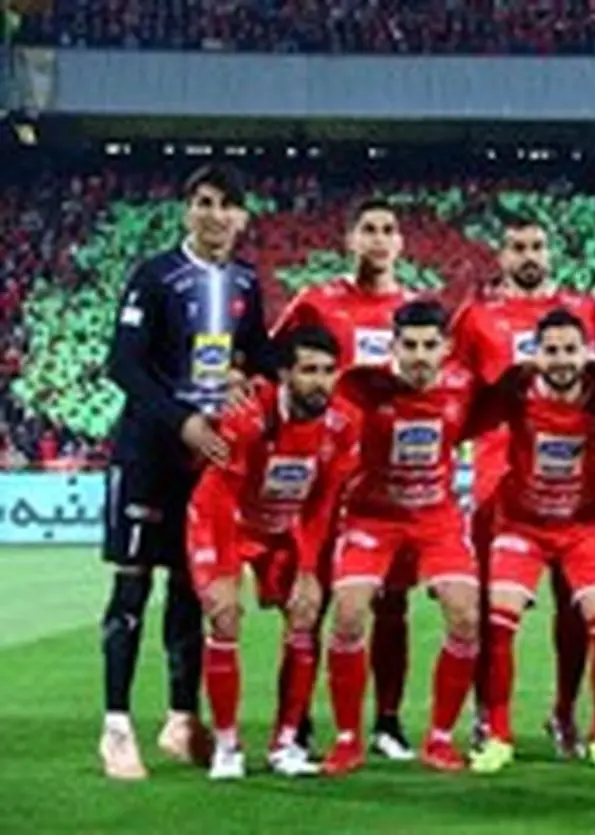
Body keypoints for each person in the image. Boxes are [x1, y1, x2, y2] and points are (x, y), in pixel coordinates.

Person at [100, 164, 272, 780]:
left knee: (189, 589)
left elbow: (261, 354)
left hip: (207, 461)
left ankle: (180, 719)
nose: (215, 214)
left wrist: (251, 377)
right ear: (187, 210)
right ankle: (116, 726)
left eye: (227, 204)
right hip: (148, 453)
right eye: (204, 202)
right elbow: (123, 365)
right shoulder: (155, 276)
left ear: (242, 217)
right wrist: (182, 421)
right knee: (132, 587)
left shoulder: (246, 282)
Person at [452, 213, 595, 757]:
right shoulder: (477, 317)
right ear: (501, 255)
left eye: (537, 245)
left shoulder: (587, 311)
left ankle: (566, 713)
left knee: (577, 608)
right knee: (493, 611)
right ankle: (487, 717)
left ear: (550, 252)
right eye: (518, 247)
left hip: (578, 491)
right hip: (499, 484)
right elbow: (456, 390)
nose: (528, 255)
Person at [469, 308, 595, 775]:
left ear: (586, 352)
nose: (562, 359)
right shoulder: (515, 390)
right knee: (500, 623)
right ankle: (499, 736)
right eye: (552, 350)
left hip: (584, 528)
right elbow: (465, 423)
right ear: (535, 354)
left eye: (570, 349)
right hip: (521, 525)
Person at [272, 197, 417, 761]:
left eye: (388, 230)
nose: (378, 239)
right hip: (325, 478)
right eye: (368, 229)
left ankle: (388, 722)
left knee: (392, 605)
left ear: (400, 242)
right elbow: (271, 358)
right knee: (309, 602)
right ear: (350, 239)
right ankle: (298, 721)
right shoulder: (317, 301)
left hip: (389, 481)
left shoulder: (413, 309)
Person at [321, 300, 482, 775]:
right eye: (409, 345)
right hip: (372, 516)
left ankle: (440, 739)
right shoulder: (360, 386)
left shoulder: (465, 386)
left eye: (429, 345)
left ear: (446, 348)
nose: (419, 356)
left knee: (465, 615)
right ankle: (347, 739)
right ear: (392, 347)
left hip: (436, 517)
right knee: (349, 613)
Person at [187, 325, 353, 780]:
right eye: (308, 371)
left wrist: (308, 570)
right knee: (224, 616)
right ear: (284, 374)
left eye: (328, 371)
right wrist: (226, 572)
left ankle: (285, 744)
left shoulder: (341, 425)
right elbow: (223, 494)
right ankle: (227, 747)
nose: (320, 382)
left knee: (306, 613)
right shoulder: (248, 415)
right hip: (224, 519)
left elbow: (322, 503)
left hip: (283, 524)